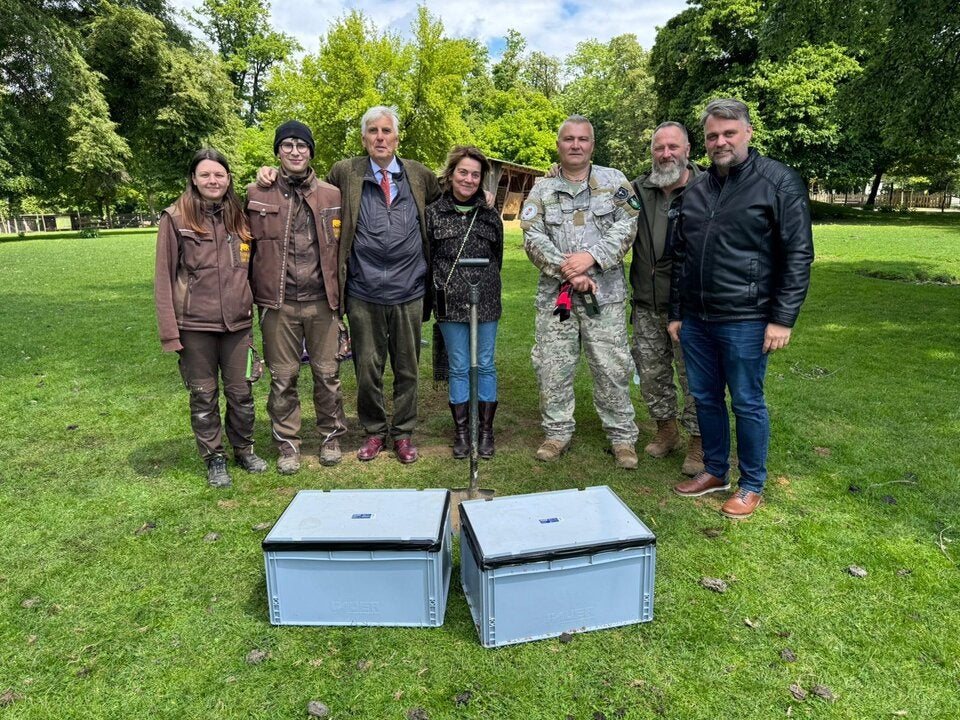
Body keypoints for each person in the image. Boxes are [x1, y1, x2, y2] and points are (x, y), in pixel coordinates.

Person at [668, 98, 814, 519]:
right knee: (706, 398)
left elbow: (798, 254)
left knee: (747, 401)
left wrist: (782, 318)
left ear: (748, 132)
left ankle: (752, 484)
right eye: (712, 135)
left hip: (748, 319)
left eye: (729, 133)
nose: (720, 141)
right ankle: (715, 470)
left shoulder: (778, 182)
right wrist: (678, 312)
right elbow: (680, 256)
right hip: (697, 319)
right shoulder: (695, 188)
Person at [520, 115, 640, 469]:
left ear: (592, 145)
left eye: (582, 139)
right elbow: (532, 236)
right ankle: (557, 432)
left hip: (605, 296)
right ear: (558, 145)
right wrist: (567, 270)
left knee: (612, 365)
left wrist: (591, 258)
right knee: (552, 365)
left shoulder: (615, 181)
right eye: (568, 139)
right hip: (558, 297)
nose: (575, 145)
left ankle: (622, 438)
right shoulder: (541, 189)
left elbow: (629, 224)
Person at [155, 148, 267, 488]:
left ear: (228, 178)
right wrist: (170, 334)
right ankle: (214, 457)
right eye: (205, 174)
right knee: (203, 395)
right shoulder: (175, 218)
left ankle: (243, 449)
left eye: (218, 174)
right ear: (194, 179)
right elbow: (163, 278)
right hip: (195, 328)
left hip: (237, 325)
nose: (212, 180)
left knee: (241, 393)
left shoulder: (240, 218)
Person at [246, 120, 347, 475]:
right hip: (279, 302)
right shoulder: (257, 194)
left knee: (327, 373)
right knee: (283, 377)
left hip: (323, 300)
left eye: (301, 145)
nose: (294, 151)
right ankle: (287, 444)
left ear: (310, 152)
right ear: (277, 151)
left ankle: (331, 436)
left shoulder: (332, 195)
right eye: (287, 145)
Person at [629, 122, 703, 476]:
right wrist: (555, 171)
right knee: (651, 371)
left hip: (691, 306)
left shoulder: (708, 187)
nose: (666, 154)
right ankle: (666, 429)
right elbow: (594, 193)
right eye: (659, 148)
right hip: (646, 300)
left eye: (673, 147)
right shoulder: (637, 190)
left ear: (687, 150)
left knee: (695, 376)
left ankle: (700, 441)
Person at [426, 146, 503, 459]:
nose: (469, 179)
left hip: (485, 301)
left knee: (484, 365)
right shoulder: (434, 213)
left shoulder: (489, 214)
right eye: (463, 172)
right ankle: (461, 433)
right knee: (458, 367)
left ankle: (484, 431)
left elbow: (497, 258)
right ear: (451, 173)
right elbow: (428, 256)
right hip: (449, 302)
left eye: (475, 174)